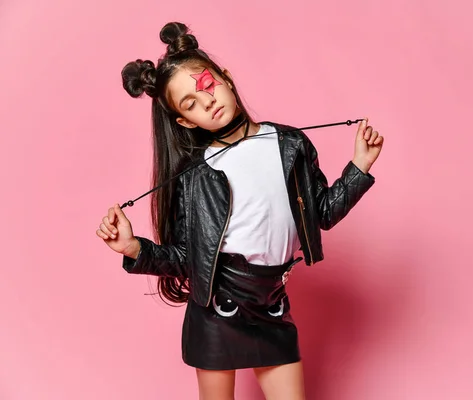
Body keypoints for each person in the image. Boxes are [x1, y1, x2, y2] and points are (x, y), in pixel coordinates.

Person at [96, 21, 384, 400]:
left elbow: (322, 214)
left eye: (208, 86)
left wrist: (359, 169)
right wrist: (135, 249)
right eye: (190, 104)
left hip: (272, 301)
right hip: (218, 306)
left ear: (226, 78)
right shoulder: (194, 176)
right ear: (185, 121)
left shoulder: (290, 144)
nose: (208, 102)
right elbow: (187, 257)